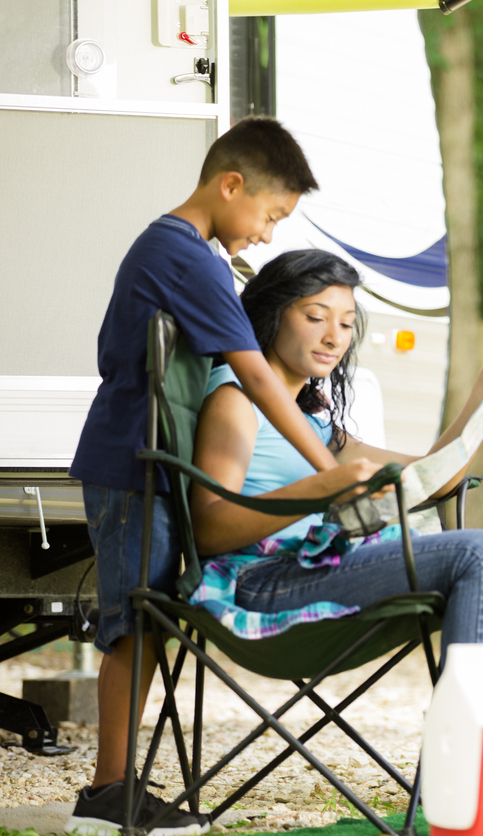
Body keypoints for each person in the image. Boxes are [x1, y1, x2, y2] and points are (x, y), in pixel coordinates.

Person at [68, 117, 341, 836]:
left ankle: (119, 788)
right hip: (132, 465)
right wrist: (330, 470)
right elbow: (253, 371)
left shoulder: (183, 251)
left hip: (148, 466)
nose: (268, 233)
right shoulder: (186, 255)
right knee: (136, 625)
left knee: (148, 623)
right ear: (230, 185)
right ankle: (105, 799)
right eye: (270, 214)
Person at [186, 249, 483, 665]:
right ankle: (468, 726)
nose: (334, 337)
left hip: (310, 568)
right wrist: (318, 491)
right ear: (271, 314)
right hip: (260, 581)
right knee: (480, 553)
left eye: (346, 323)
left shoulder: (315, 423)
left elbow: (435, 477)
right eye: (315, 317)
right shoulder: (236, 399)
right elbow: (207, 532)